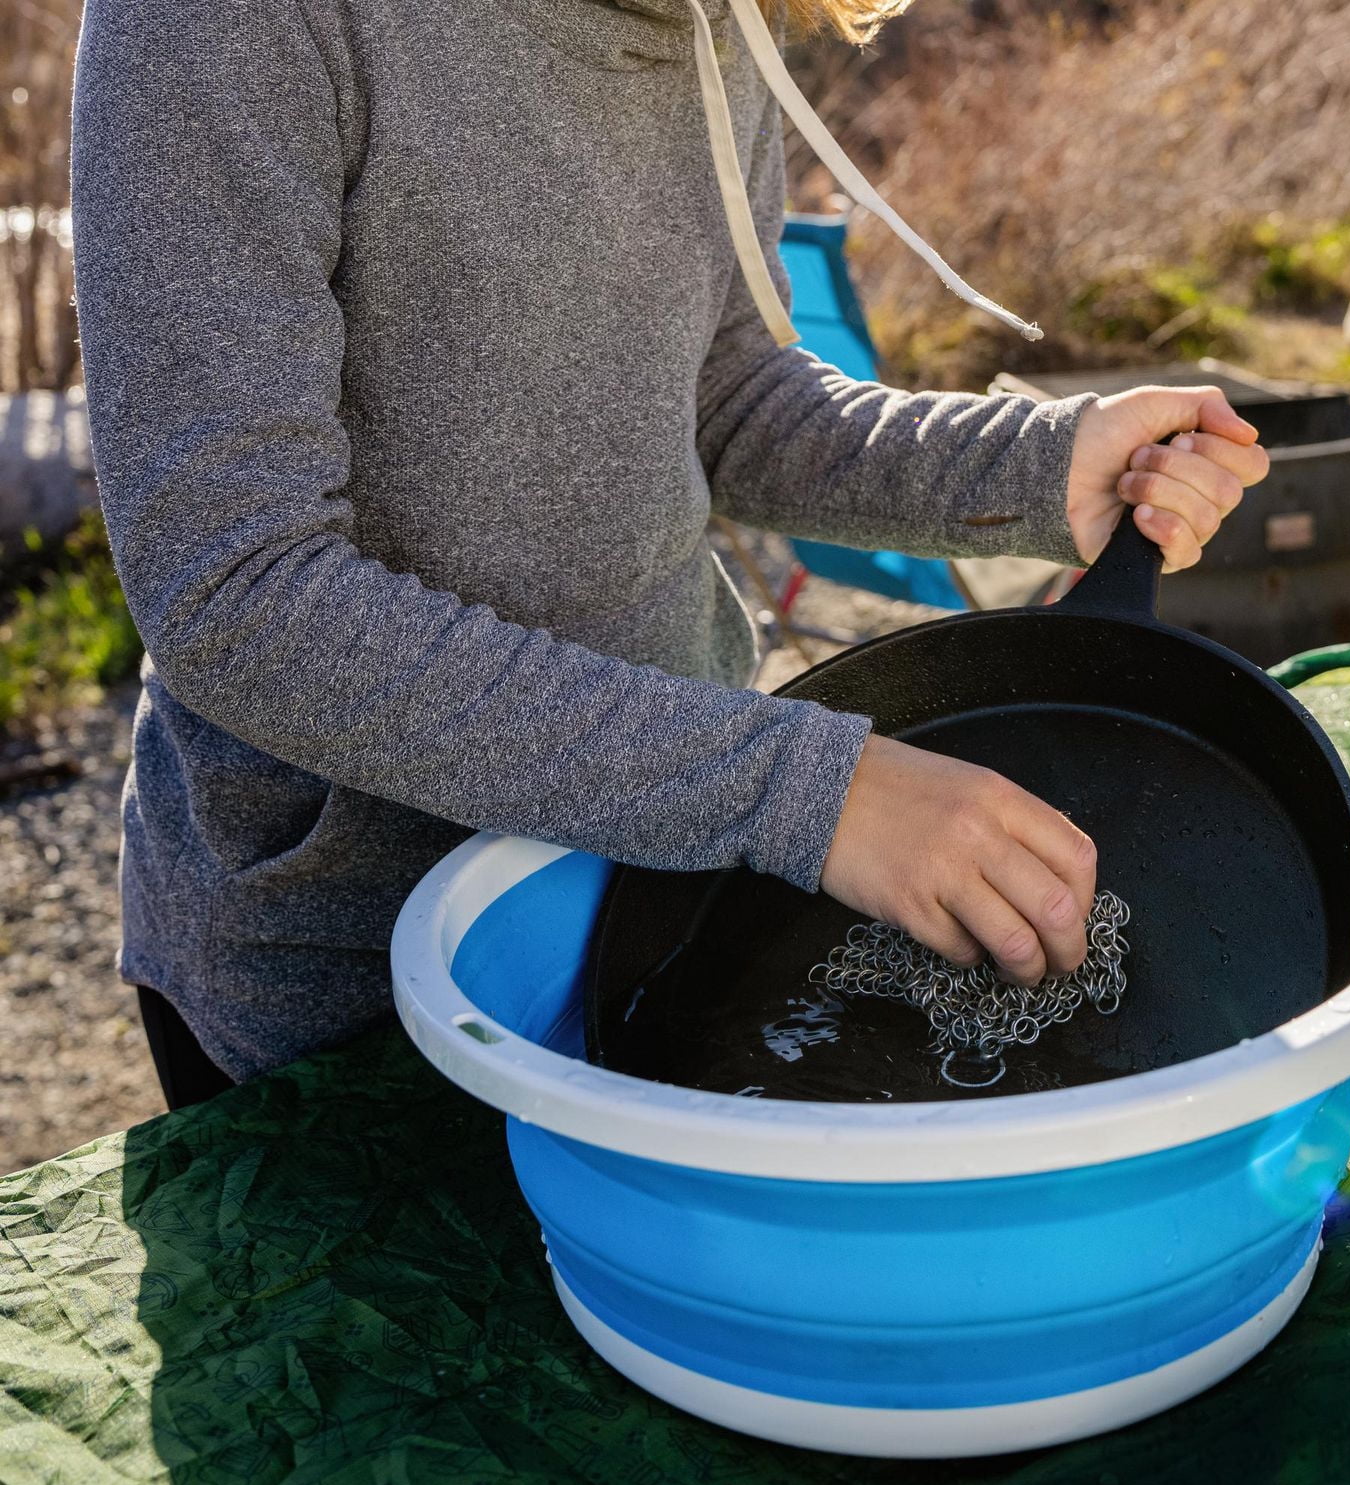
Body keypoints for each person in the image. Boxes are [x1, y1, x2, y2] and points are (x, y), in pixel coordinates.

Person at [70, 0, 1267, 1108]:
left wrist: (1027, 469)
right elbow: (239, 592)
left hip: (666, 875)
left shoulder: (716, 18)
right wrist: (816, 790)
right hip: (339, 980)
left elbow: (724, 392)